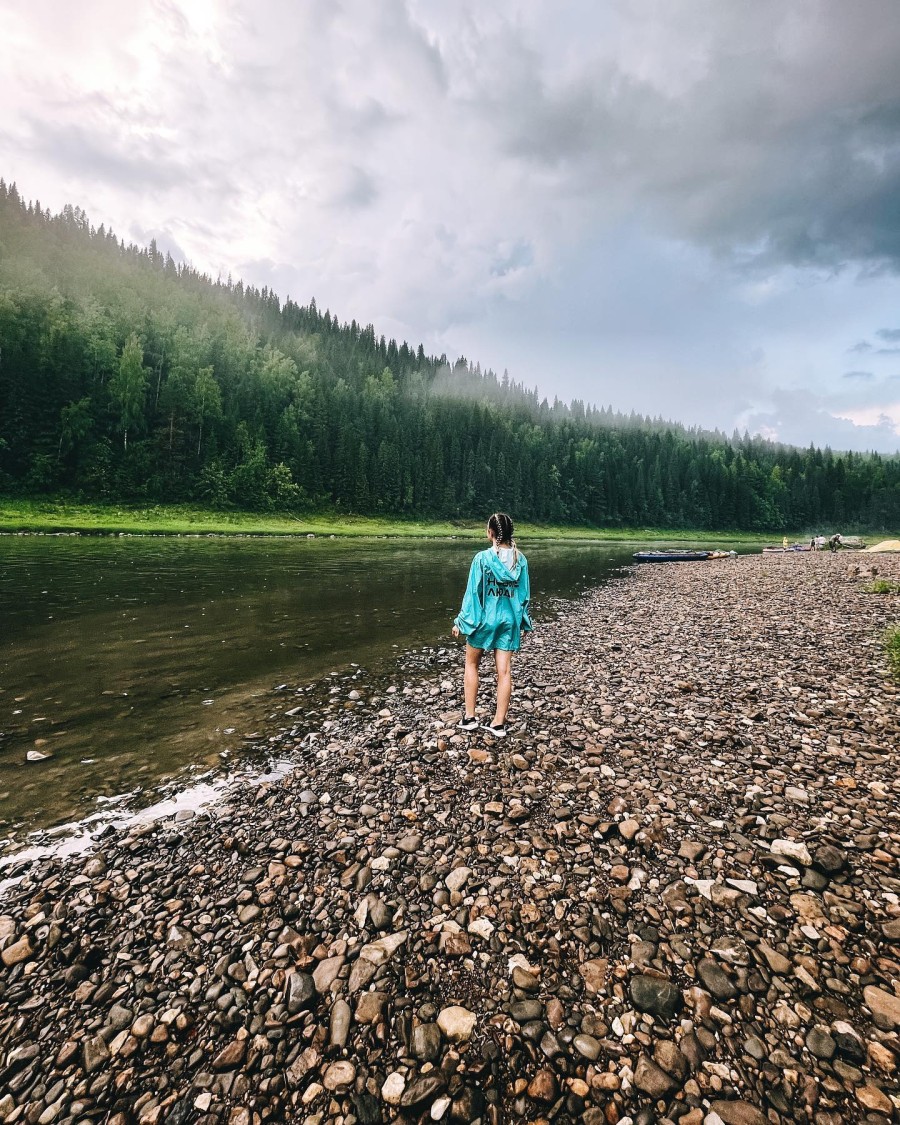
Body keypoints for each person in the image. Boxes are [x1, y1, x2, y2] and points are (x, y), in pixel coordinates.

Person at [451, 512, 532, 738]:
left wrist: (461, 622)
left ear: (490, 533)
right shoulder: (520, 560)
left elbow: (472, 595)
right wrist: (523, 623)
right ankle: (498, 724)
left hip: (484, 621)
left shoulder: (482, 559)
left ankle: (470, 718)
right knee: (504, 672)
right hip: (509, 622)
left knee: (471, 664)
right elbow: (524, 596)